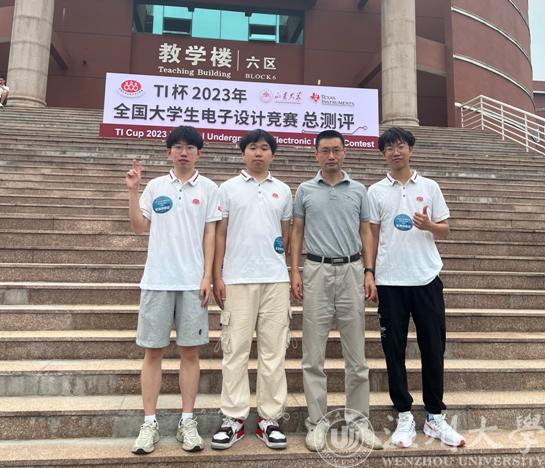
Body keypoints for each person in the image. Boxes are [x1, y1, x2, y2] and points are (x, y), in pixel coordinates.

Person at [367, 127, 465, 448]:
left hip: (426, 279)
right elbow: (372, 236)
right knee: (393, 350)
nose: (396, 152)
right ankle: (405, 414)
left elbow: (445, 230)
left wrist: (429, 225)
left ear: (410, 149)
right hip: (390, 282)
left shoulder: (429, 187)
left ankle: (435, 416)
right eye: (389, 148)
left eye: (401, 146)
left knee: (433, 348)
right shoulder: (375, 191)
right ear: (383, 154)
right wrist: (370, 273)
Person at [126, 126, 221, 454]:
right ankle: (149, 423)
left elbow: (210, 235)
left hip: (192, 283)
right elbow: (139, 227)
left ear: (199, 153)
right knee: (152, 352)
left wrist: (207, 277)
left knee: (190, 353)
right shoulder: (155, 186)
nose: (183, 152)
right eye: (177, 146)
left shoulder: (209, 188)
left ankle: (187, 422)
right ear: (168, 152)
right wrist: (132, 192)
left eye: (190, 147)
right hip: (157, 281)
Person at [290, 129, 383, 452]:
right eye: (325, 151)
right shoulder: (305, 190)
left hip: (351, 270)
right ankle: (317, 422)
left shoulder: (358, 190)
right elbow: (297, 232)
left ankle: (358, 421)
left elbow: (366, 232)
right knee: (312, 354)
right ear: (316, 154)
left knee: (356, 354)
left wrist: (369, 271)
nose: (331, 156)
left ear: (345, 152)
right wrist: (295, 271)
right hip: (316, 269)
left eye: (336, 150)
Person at [211, 129, 292, 450]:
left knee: (273, 352)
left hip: (275, 280)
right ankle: (233, 418)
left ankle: (269, 419)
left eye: (264, 148)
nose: (258, 153)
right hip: (236, 279)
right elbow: (220, 234)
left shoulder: (283, 190)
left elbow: (285, 235)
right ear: (243, 153)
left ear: (272, 154)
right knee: (235, 350)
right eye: (253, 148)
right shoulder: (227, 189)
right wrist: (218, 274)